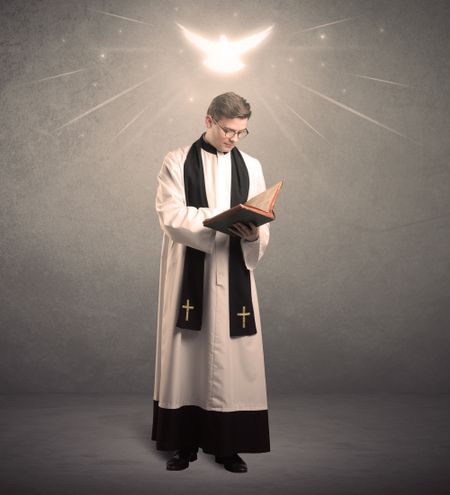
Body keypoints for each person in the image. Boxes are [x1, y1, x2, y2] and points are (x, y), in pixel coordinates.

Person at [152, 92, 271, 473]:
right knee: (187, 353)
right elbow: (170, 215)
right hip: (192, 271)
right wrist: (218, 220)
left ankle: (226, 445)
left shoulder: (251, 165)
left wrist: (251, 235)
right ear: (208, 121)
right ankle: (183, 444)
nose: (234, 138)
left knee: (232, 359)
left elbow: (260, 216)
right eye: (227, 130)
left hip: (233, 269)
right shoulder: (176, 160)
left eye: (242, 132)